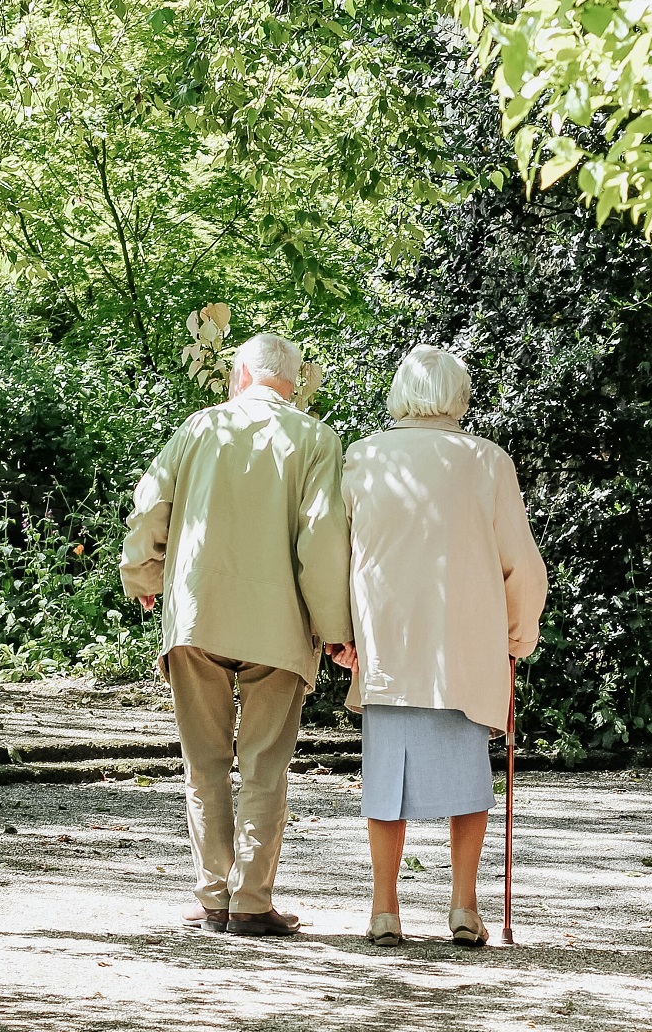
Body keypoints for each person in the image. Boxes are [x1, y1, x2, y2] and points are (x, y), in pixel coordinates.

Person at [120, 332, 354, 937]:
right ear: (293, 383)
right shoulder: (316, 439)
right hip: (278, 625)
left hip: (199, 614)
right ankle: (252, 902)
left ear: (241, 375)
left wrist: (143, 574)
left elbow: (151, 508)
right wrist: (335, 630)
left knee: (204, 762)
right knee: (264, 764)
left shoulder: (199, 429)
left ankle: (212, 896)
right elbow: (322, 540)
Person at [331, 344, 548, 948]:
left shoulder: (363, 457)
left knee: (384, 781)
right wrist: (518, 632)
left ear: (402, 392)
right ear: (459, 396)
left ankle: (383, 909)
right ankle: (463, 906)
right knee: (468, 781)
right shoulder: (486, 462)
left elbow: (335, 554)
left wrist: (339, 632)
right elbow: (520, 563)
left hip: (389, 643)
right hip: (465, 645)